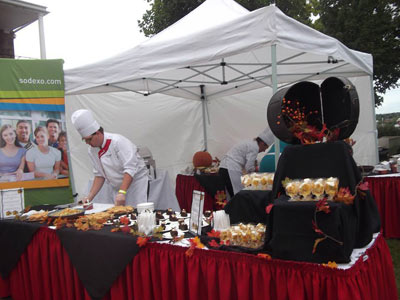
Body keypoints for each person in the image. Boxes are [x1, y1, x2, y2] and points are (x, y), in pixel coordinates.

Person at [71, 109, 149, 206]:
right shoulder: (92, 150)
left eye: (89, 139)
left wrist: (122, 192)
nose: (87, 143)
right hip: (117, 187)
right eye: (85, 140)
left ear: (98, 133)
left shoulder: (118, 141)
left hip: (135, 184)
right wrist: (88, 197)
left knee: (137, 213)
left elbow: (130, 168)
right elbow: (99, 175)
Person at [219, 127, 275, 198]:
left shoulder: (250, 143)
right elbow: (249, 167)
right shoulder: (255, 148)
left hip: (224, 167)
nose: (264, 151)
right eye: (265, 148)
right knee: (237, 195)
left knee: (231, 195)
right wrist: (256, 171)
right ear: (262, 143)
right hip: (230, 169)